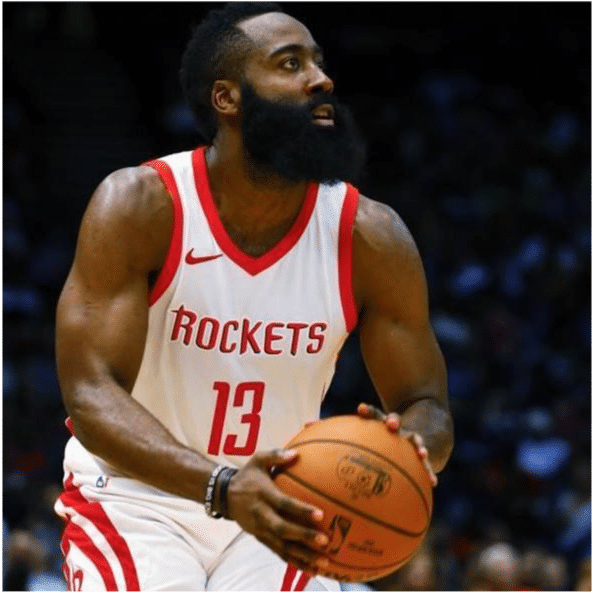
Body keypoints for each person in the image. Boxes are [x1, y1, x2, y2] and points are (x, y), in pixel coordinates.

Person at [53, 3, 454, 591]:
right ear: (227, 98)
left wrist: (405, 448)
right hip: (137, 498)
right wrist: (221, 485)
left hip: (281, 502)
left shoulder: (370, 236)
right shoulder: (142, 206)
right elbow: (91, 393)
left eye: (319, 62)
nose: (321, 79)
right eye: (290, 64)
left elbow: (428, 402)